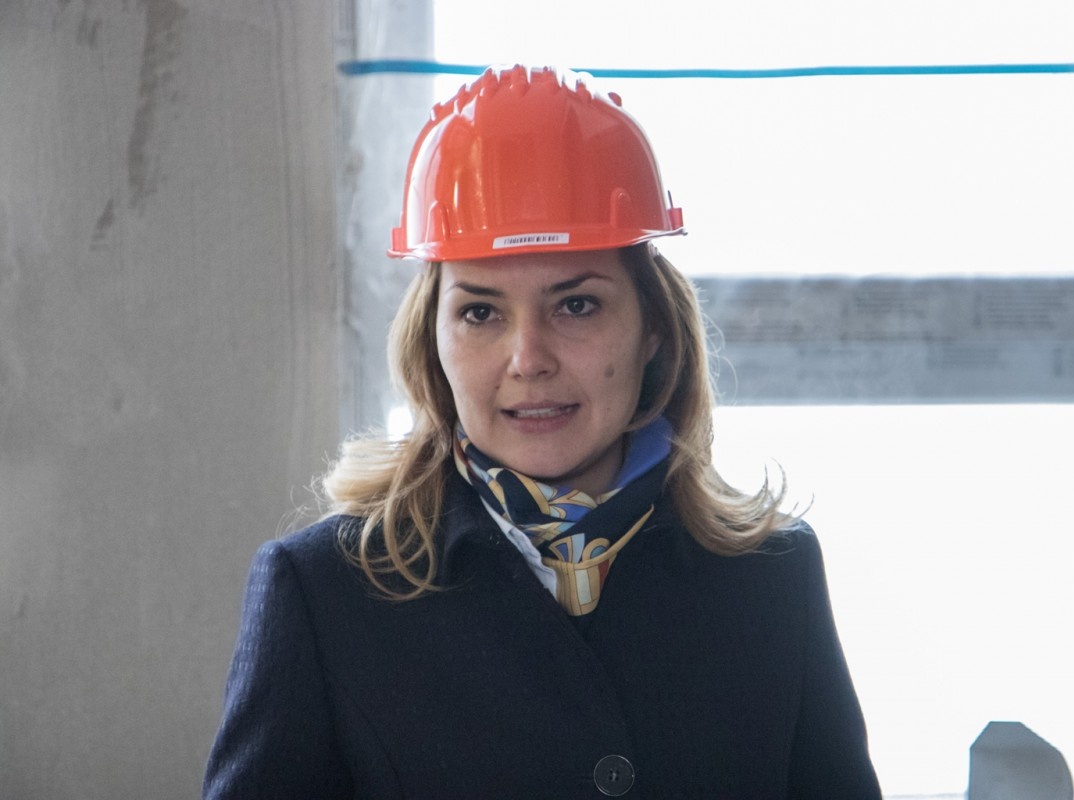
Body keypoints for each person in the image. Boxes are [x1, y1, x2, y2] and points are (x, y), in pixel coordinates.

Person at [203, 64, 881, 799]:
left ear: (653, 327)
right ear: (433, 339)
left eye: (577, 305)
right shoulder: (322, 592)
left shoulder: (774, 574)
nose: (528, 360)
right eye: (481, 312)